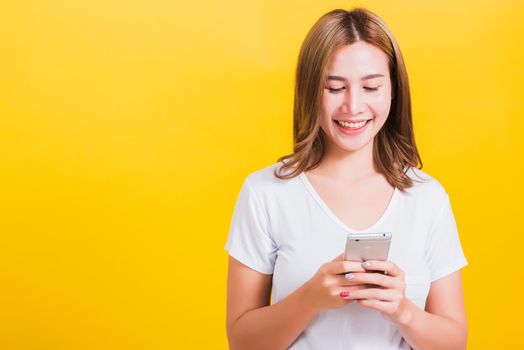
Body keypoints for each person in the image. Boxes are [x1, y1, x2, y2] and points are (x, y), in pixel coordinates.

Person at [224, 7, 468, 350]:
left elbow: (456, 343)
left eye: (371, 86)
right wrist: (309, 298)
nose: (353, 106)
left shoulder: (427, 197)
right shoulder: (265, 193)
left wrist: (402, 311)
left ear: (393, 90)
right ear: (310, 91)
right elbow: (241, 341)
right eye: (334, 87)